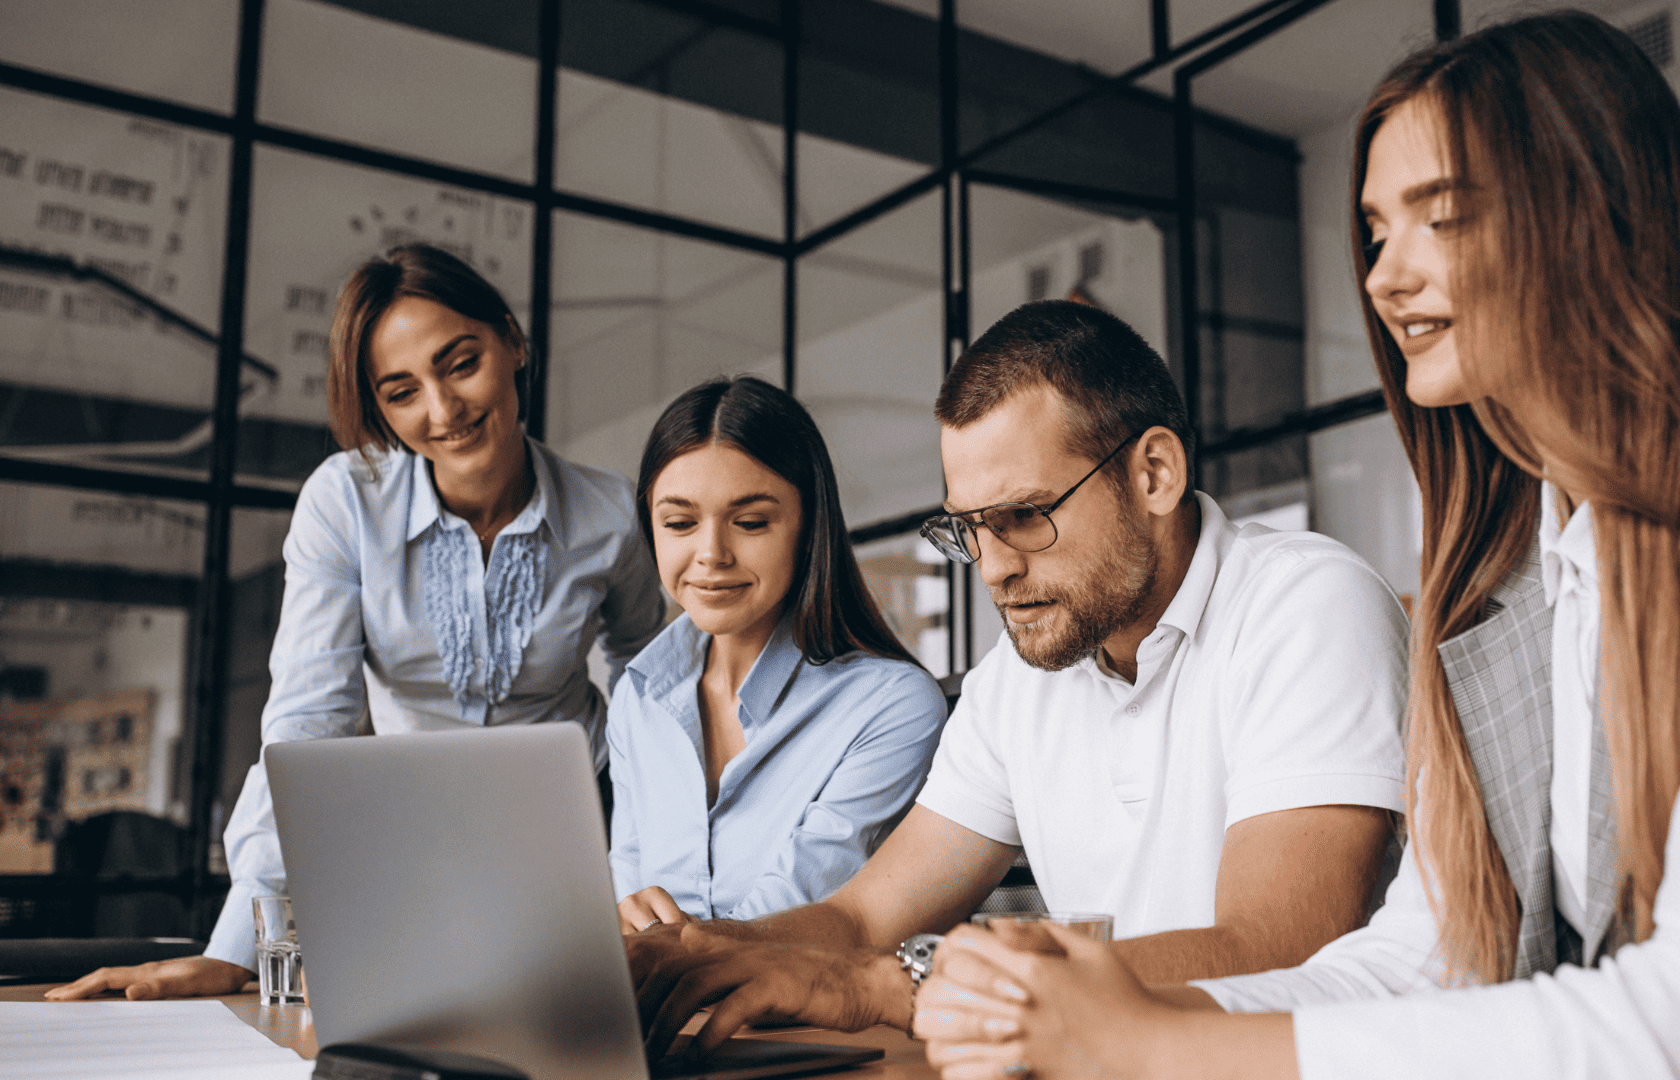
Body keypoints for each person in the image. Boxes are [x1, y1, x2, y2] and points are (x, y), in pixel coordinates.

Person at [913, 12, 1680, 1080]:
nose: (1387, 276)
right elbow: (1427, 958)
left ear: (1590, 213)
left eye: (1439, 218)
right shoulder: (1507, 576)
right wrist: (1117, 1005)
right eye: (1376, 232)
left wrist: (1161, 1041)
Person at [626, 299, 1411, 1056]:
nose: (995, 570)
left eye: (1026, 516)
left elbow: (1273, 946)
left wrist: (908, 982)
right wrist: (692, 949)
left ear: (1155, 474)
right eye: (968, 528)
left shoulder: (1305, 604)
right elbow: (865, 920)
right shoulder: (1020, 680)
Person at [47, 243, 667, 1001]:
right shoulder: (344, 502)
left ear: (513, 341)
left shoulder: (610, 514)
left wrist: (640, 873)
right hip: (410, 830)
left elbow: (653, 692)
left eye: (461, 362)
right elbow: (310, 723)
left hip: (576, 819)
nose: (443, 412)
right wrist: (241, 945)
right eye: (402, 391)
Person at [608, 375, 947, 932]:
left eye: (750, 523)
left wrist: (662, 951)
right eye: (680, 523)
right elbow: (628, 892)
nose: (711, 554)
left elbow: (798, 915)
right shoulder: (636, 699)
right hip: (656, 1008)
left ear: (807, 529)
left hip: (804, 1014)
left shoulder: (892, 705)